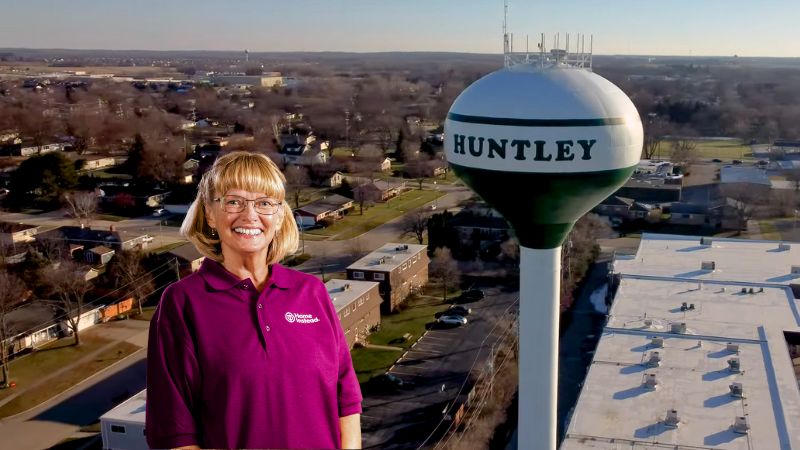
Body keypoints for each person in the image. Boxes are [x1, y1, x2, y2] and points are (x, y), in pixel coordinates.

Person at [146, 151, 362, 449]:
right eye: (233, 201)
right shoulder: (183, 303)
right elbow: (173, 431)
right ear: (209, 212)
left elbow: (346, 400)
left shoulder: (311, 292)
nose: (250, 216)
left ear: (278, 214)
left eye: (264, 203)